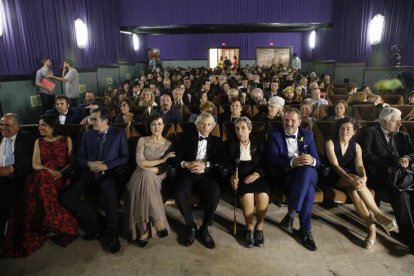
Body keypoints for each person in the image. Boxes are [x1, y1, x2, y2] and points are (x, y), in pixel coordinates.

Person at [2, 115, 78, 257]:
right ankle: (49, 222)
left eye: (44, 125)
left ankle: (46, 222)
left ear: (53, 126)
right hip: (43, 174)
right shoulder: (39, 141)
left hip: (61, 176)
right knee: (40, 177)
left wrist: (60, 173)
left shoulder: (66, 140)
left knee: (38, 182)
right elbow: (35, 164)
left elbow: (72, 162)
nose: (40, 128)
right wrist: (50, 171)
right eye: (39, 125)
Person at [60, 107, 129, 254]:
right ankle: (100, 223)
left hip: (109, 174)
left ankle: (112, 232)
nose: (91, 122)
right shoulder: (88, 134)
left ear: (105, 121)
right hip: (89, 174)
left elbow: (124, 157)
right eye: (91, 119)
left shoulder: (118, 134)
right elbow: (80, 157)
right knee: (66, 197)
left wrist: (107, 165)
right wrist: (89, 164)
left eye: (94, 119)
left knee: (108, 191)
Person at [325, 118, 396, 249]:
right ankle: (379, 215)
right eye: (342, 129)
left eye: (348, 129)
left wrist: (363, 177)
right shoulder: (330, 143)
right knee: (354, 179)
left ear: (354, 131)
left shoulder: (356, 146)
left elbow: (359, 166)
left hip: (352, 181)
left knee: (354, 192)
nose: (344, 132)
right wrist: (352, 179)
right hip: (334, 177)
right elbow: (335, 166)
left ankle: (371, 229)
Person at [359, 107, 414, 253]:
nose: (400, 124)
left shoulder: (403, 136)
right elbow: (366, 155)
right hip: (379, 176)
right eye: (396, 121)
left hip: (402, 175)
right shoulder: (369, 132)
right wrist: (387, 165)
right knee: (401, 192)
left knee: (408, 190)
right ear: (384, 121)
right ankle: (409, 236)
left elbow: (412, 153)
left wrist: (406, 158)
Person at [267, 108, 320, 251]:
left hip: (309, 173)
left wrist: (312, 159)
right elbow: (272, 159)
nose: (289, 123)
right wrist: (292, 162)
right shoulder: (275, 135)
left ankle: (291, 214)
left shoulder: (306, 135)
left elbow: (318, 161)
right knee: (308, 190)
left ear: (300, 122)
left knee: (307, 169)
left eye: (293, 120)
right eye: (286, 120)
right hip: (287, 175)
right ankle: (305, 230)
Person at [173, 113, 226, 249]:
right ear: (197, 125)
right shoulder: (186, 138)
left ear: (213, 127)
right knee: (179, 193)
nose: (205, 126)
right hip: (188, 174)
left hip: (206, 176)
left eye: (209, 124)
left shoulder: (217, 141)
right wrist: (186, 164)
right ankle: (190, 226)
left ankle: (204, 228)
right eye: (202, 123)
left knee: (215, 193)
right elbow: (175, 157)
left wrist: (206, 165)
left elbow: (221, 160)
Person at [126, 114, 175, 247]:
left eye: (159, 124)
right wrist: (162, 159)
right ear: (149, 126)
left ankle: (143, 230)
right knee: (145, 176)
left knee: (147, 176)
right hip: (139, 174)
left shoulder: (168, 144)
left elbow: (165, 168)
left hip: (158, 176)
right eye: (153, 124)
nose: (157, 127)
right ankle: (157, 220)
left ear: (164, 126)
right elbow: (140, 163)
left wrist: (153, 168)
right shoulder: (142, 140)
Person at [228, 117, 269, 248]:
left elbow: (266, 163)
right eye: (237, 129)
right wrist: (232, 176)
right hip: (241, 177)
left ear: (250, 130)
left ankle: (260, 226)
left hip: (258, 176)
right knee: (247, 196)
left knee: (262, 195)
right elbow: (227, 165)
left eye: (243, 128)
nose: (240, 132)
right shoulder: (231, 145)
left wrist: (257, 174)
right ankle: (250, 228)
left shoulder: (259, 143)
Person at [0, 114, 35, 249]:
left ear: (18, 126)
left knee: (4, 204)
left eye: (7, 125)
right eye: (1, 124)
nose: (3, 128)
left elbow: (30, 160)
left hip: (15, 178)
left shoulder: (28, 140)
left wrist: (10, 169)